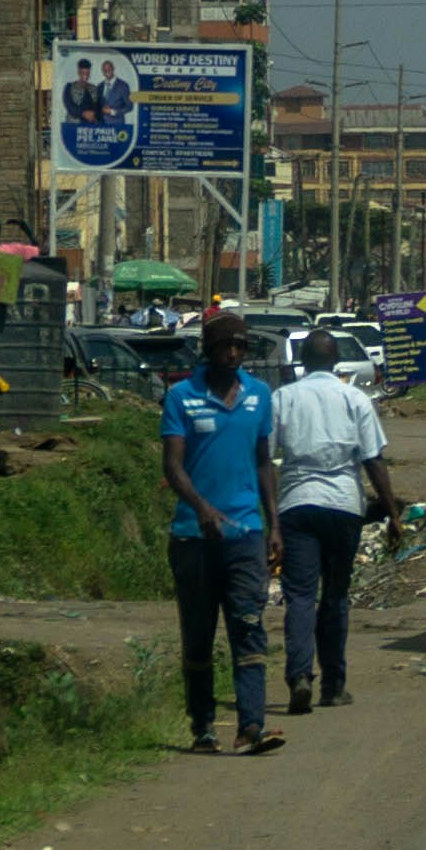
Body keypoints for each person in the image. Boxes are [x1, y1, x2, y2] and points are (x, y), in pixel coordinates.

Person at [161, 305, 282, 755]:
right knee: (197, 635)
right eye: (225, 346)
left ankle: (251, 726)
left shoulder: (259, 395)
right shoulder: (181, 397)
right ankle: (203, 727)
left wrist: (275, 526)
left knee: (249, 628)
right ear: (207, 349)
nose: (233, 353)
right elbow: (172, 466)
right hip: (193, 538)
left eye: (240, 346)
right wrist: (202, 508)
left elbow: (263, 461)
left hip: (246, 535)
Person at [268, 331, 392, 712]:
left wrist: (269, 519)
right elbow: (373, 459)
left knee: (301, 596)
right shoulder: (354, 398)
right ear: (336, 360)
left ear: (302, 360)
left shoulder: (283, 398)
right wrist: (392, 510)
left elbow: (265, 461)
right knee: (336, 597)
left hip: (298, 505)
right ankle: (334, 685)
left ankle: (300, 675)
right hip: (343, 507)